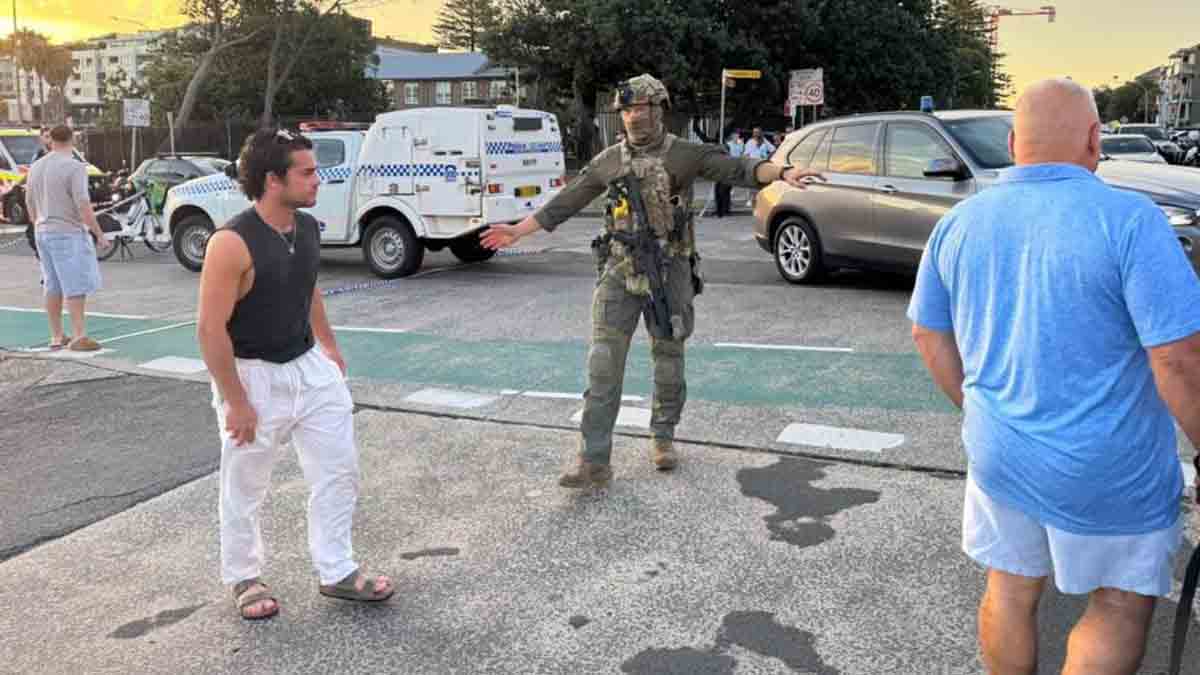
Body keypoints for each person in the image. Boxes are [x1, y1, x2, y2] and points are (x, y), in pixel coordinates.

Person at [909, 78, 1200, 675]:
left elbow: (927, 333)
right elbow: (1177, 358)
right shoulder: (1130, 220)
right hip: (1110, 468)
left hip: (999, 454)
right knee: (1118, 603)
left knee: (1011, 591)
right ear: (1095, 139)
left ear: (1015, 143)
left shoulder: (959, 223)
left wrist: (975, 407)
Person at [480, 74, 824, 489]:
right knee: (602, 365)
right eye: (627, 109)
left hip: (669, 270)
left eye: (641, 108)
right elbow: (568, 200)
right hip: (620, 271)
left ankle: (663, 435)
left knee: (668, 357)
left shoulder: (685, 155)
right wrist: (519, 230)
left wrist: (782, 172)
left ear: (659, 109)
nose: (633, 116)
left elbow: (739, 168)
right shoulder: (609, 160)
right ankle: (593, 462)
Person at [196, 128, 394, 621]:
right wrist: (237, 401)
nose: (317, 180)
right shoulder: (230, 243)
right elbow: (209, 330)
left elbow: (309, 290)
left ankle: (337, 570)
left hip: (308, 367)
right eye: (306, 172)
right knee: (245, 485)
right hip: (251, 375)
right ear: (272, 180)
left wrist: (329, 345)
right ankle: (243, 576)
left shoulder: (306, 228)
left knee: (338, 469)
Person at [25, 125, 111, 351]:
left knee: (52, 284)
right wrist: (98, 233)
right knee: (75, 284)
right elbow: (82, 203)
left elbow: (29, 201)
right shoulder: (74, 167)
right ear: (73, 139)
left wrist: (37, 223)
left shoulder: (36, 167)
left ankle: (56, 335)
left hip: (43, 230)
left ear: (49, 140)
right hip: (67, 231)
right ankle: (79, 335)